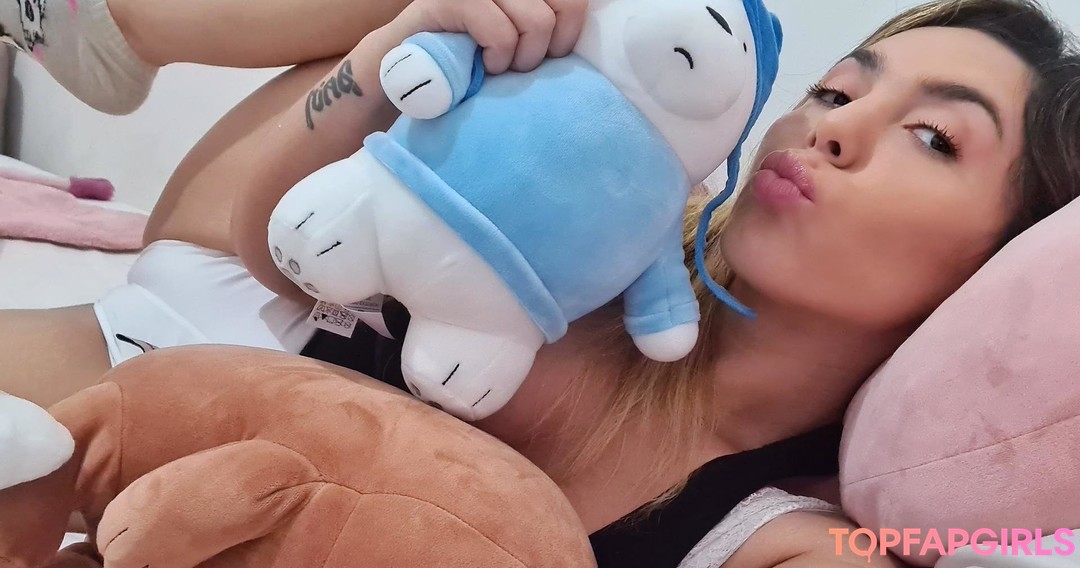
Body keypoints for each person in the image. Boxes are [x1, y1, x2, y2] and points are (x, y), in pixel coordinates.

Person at [3, 0, 1080, 566]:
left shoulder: (785, 533)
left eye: (936, 138)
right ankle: (112, 22)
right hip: (237, 286)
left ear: (1016, 266)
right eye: (837, 89)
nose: (830, 128)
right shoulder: (604, 238)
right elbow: (272, 247)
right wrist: (391, 54)